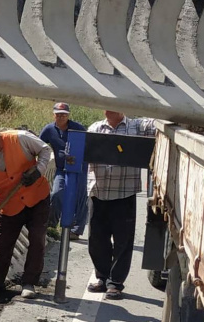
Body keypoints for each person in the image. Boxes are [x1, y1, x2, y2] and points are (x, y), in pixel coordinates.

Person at [0, 125, 53, 305]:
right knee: (0, 245)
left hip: (37, 198)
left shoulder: (20, 138)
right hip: (9, 206)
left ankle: (29, 283)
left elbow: (45, 150)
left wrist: (38, 170)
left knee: (37, 240)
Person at [85, 110, 156, 300]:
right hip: (98, 193)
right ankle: (101, 276)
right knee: (96, 240)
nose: (109, 108)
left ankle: (115, 283)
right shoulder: (95, 128)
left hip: (124, 194)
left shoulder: (137, 127)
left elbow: (158, 123)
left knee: (123, 242)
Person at [39, 102, 89, 240]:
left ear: (68, 115)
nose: (61, 117)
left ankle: (76, 230)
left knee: (80, 198)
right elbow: (39, 145)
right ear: (53, 115)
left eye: (64, 115)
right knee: (56, 193)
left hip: (79, 168)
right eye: (58, 114)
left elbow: (89, 146)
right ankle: (51, 225)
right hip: (61, 168)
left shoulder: (78, 128)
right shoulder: (49, 129)